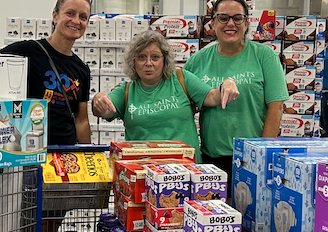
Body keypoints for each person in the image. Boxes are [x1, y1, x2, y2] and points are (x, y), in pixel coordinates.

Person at [184, 0, 288, 175]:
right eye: (223, 18)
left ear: (247, 22)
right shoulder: (197, 61)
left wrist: (262, 154)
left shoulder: (265, 56)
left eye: (237, 18)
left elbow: (276, 107)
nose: (230, 24)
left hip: (252, 159)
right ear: (213, 23)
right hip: (211, 159)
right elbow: (185, 107)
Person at [90, 30, 239, 156]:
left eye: (155, 57)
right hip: (143, 172)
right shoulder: (126, 90)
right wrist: (98, 99)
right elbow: (104, 111)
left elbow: (212, 97)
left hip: (185, 170)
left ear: (165, 60)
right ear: (133, 62)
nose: (149, 63)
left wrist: (227, 84)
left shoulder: (182, 79)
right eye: (142, 57)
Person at [2, 0, 92, 145]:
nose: (76, 21)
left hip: (65, 152)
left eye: (83, 17)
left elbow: (81, 121)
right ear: (55, 16)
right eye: (70, 13)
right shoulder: (27, 51)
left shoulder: (82, 69)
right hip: (30, 150)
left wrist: (89, 153)